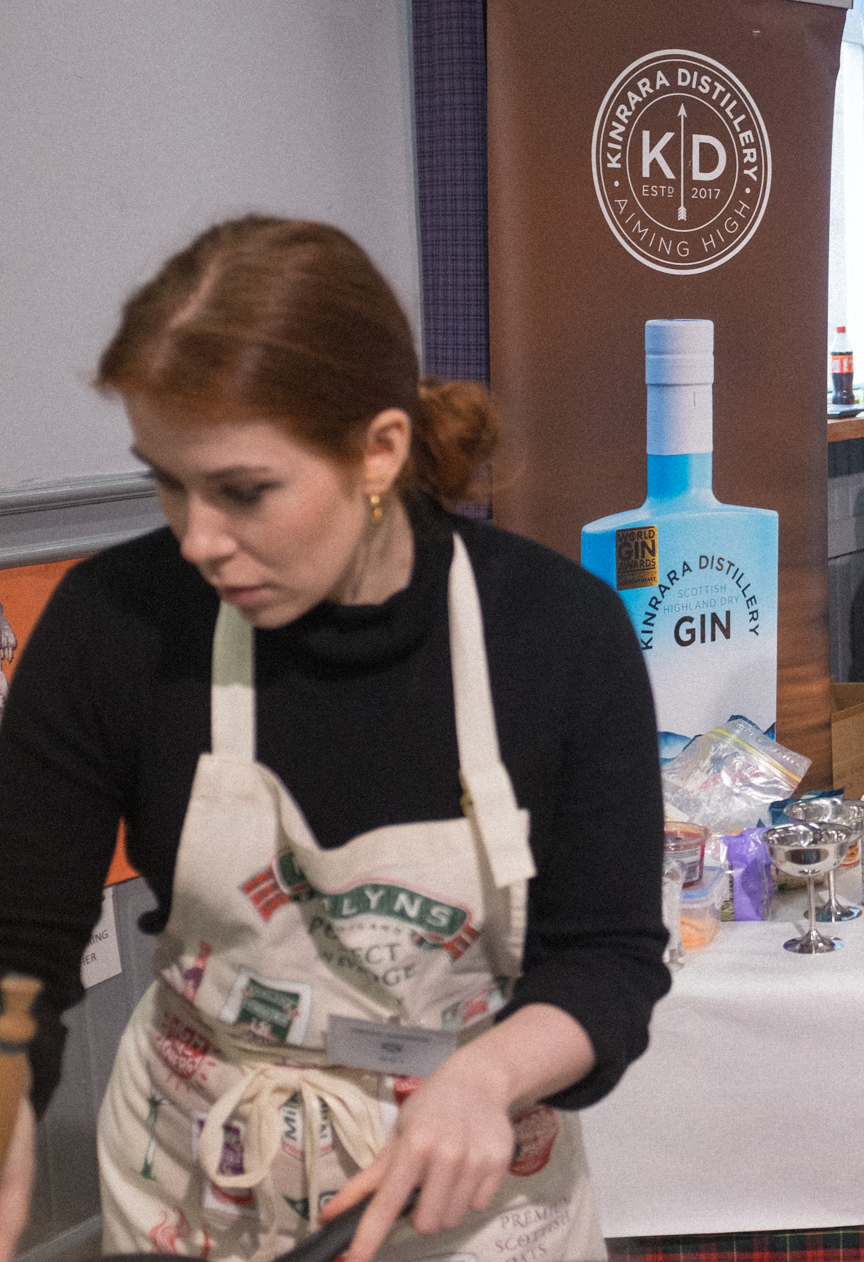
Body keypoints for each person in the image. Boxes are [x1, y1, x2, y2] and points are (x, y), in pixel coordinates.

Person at [0, 218, 669, 1262]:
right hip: (199, 1181)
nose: (196, 537)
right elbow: (18, 935)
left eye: (243, 490)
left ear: (379, 449)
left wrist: (488, 1075)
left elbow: (607, 962)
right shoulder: (118, 624)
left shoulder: (556, 636)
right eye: (166, 481)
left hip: (469, 1183)